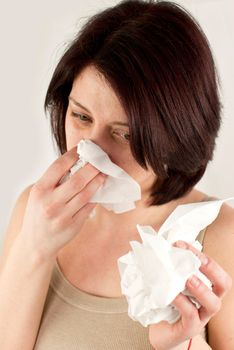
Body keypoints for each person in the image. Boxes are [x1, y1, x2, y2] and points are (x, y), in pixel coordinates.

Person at [0, 0, 233, 349]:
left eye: (124, 134)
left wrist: (177, 344)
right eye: (81, 117)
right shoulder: (35, 210)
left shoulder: (218, 238)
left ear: (178, 135)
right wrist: (35, 248)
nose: (91, 149)